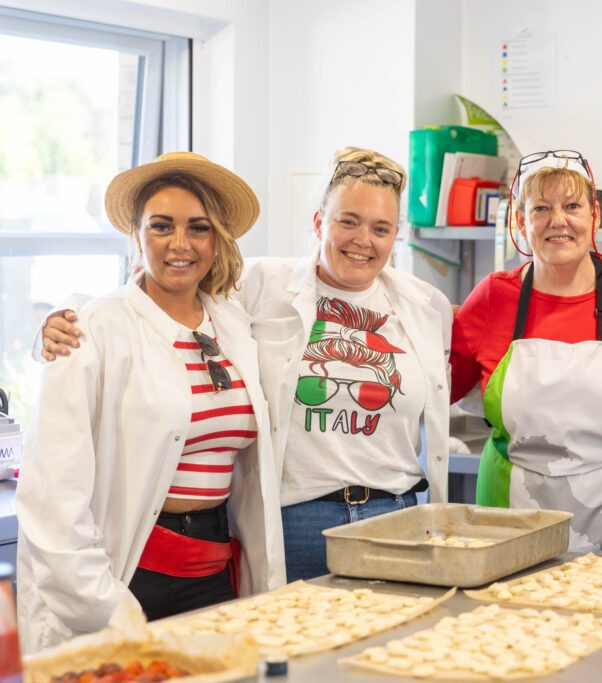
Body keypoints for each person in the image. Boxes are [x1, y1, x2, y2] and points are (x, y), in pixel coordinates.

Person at [36, 148, 453, 583]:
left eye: (380, 228)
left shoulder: (425, 305)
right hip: (299, 520)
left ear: (395, 236)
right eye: (348, 221)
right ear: (318, 223)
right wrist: (66, 315)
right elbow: (160, 297)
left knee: (395, 647)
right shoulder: (259, 285)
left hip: (398, 515)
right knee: (294, 647)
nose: (362, 240)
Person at [16, 152, 285, 653]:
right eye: (161, 226)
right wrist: (106, 603)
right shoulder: (89, 330)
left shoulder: (233, 324)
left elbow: (331, 267)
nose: (180, 244)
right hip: (128, 574)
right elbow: (53, 495)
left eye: (198, 228)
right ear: (136, 235)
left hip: (215, 571)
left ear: (217, 240)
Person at [450, 151, 602, 555]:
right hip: (505, 523)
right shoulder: (494, 295)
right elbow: (440, 386)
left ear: (595, 216)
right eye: (541, 208)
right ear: (522, 221)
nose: (558, 221)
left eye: (573, 206)